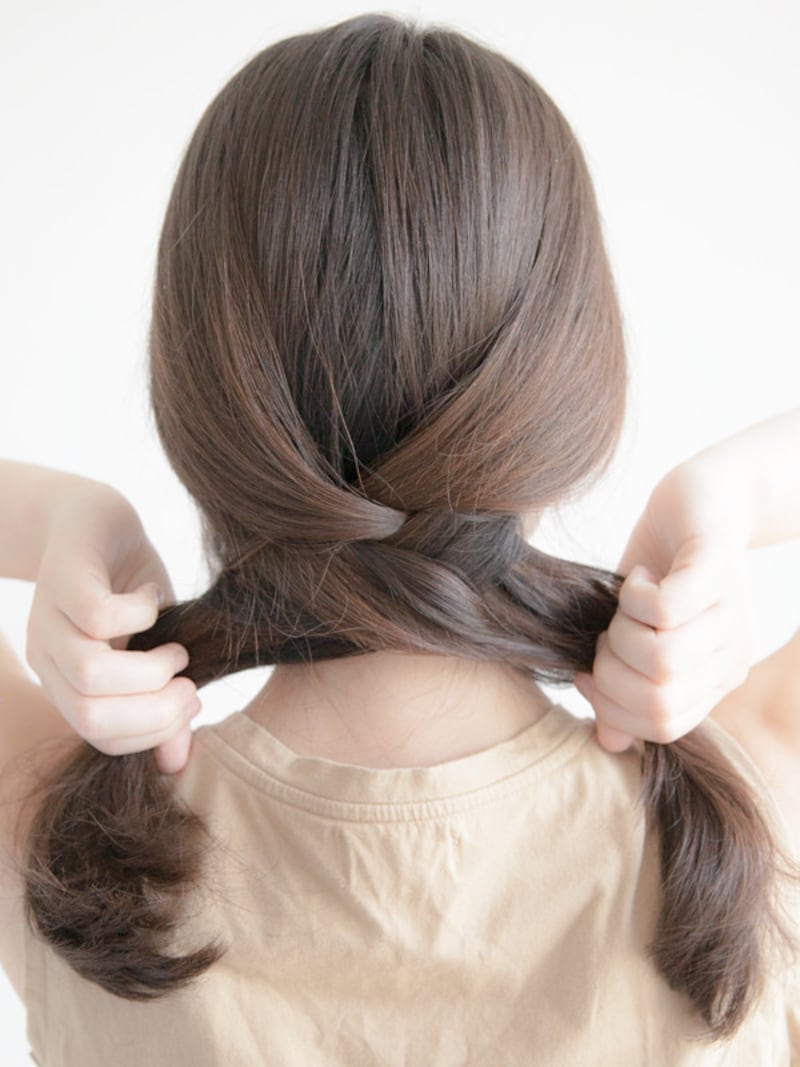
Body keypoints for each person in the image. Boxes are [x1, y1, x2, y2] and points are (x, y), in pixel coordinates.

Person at [0, 13, 798, 1065]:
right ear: (573, 385)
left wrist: (59, 514)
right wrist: (729, 496)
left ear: (192, 394)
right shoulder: (753, 803)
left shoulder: (66, 847)